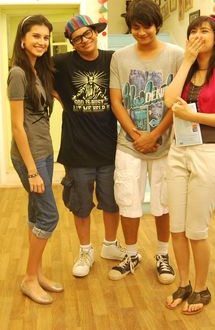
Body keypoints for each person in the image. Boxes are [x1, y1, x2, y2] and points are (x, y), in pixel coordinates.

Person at [108, 0, 184, 282]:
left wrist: (154, 134)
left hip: (166, 145)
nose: (142, 32)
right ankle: (131, 254)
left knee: (164, 203)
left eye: (147, 26)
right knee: (127, 200)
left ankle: (163, 255)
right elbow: (116, 101)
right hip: (129, 144)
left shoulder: (176, 55)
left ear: (157, 25)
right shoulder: (120, 57)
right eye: (136, 27)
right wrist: (137, 134)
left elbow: (176, 101)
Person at [164, 15, 215, 314]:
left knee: (196, 229)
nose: (197, 34)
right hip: (178, 150)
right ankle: (184, 283)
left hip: (208, 152)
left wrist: (193, 117)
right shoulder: (188, 67)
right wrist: (187, 60)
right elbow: (170, 100)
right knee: (176, 229)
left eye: (204, 30)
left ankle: (202, 288)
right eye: (193, 30)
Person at [53, 15, 126, 278]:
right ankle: (85, 250)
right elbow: (33, 72)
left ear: (96, 32)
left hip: (109, 147)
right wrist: (60, 98)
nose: (84, 40)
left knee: (112, 202)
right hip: (77, 150)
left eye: (87, 34)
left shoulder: (113, 59)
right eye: (77, 39)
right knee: (81, 205)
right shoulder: (61, 63)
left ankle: (109, 244)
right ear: (72, 43)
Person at [7, 15, 63, 305]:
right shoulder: (18, 73)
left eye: (45, 37)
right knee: (49, 216)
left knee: (35, 214)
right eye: (36, 36)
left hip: (44, 150)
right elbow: (17, 126)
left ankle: (38, 273)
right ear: (22, 40)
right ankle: (29, 279)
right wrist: (31, 171)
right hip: (31, 157)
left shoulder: (38, 70)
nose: (42, 42)